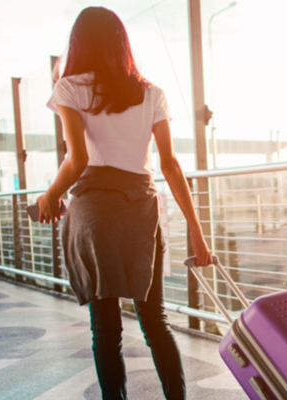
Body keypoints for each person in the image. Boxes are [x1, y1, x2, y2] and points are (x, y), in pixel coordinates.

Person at [37, 7, 213, 400]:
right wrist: (197, 233)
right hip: (140, 212)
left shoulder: (69, 88)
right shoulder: (152, 93)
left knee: (106, 329)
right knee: (155, 322)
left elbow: (77, 159)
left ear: (77, 44)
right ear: (122, 43)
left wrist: (50, 194)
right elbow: (168, 164)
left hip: (95, 214)